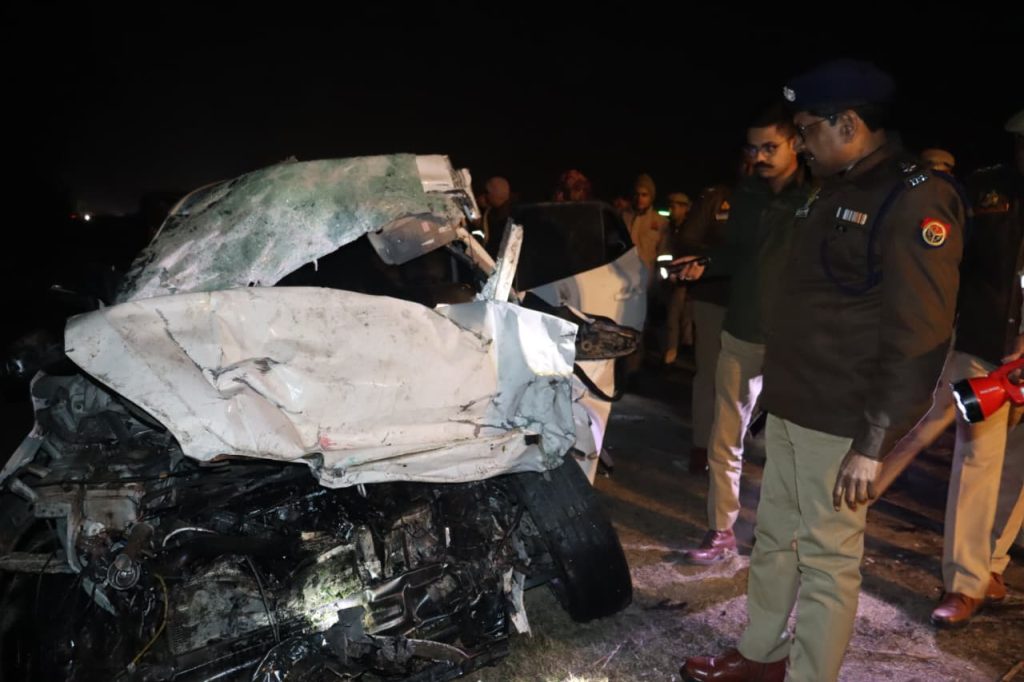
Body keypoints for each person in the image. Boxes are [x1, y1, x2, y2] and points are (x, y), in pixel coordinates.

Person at [681, 59, 966, 682]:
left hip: (842, 416)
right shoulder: (835, 187)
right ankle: (761, 654)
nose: (802, 143)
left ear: (849, 124)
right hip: (794, 400)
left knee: (828, 559)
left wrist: (874, 440)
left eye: (808, 129)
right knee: (774, 537)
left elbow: (920, 336)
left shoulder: (914, 196)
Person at [675, 104, 812, 564]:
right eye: (753, 149)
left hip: (793, 339)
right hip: (742, 330)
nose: (760, 157)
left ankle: (782, 538)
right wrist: (706, 263)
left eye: (770, 147)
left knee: (787, 445)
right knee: (725, 437)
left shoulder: (819, 194)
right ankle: (721, 530)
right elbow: (736, 252)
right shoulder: (748, 193)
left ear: (796, 143)